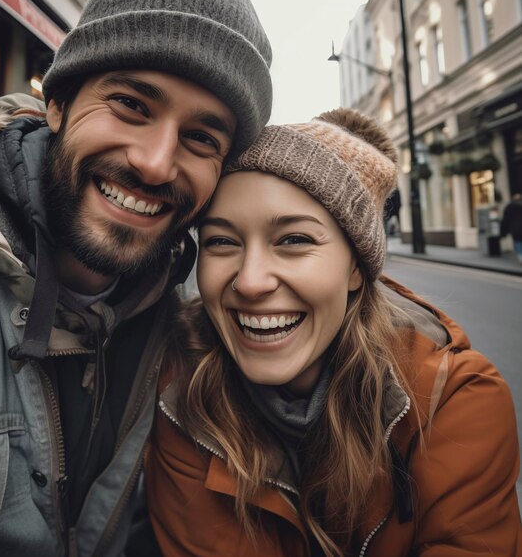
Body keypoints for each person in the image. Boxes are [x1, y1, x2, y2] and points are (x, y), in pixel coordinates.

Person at [0, 0, 272, 556]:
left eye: (202, 138)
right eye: (129, 104)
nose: (154, 162)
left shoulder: (194, 331)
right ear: (57, 104)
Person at [145, 109, 521, 556]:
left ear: (356, 271)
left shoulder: (455, 398)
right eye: (221, 241)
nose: (250, 281)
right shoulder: (181, 394)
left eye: (295, 240)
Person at [501, 192, 522, 264]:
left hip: (514, 228)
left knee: (517, 242)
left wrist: (504, 230)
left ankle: (520, 256)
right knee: (518, 241)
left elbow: (505, 219)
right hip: (516, 228)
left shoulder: (509, 206)